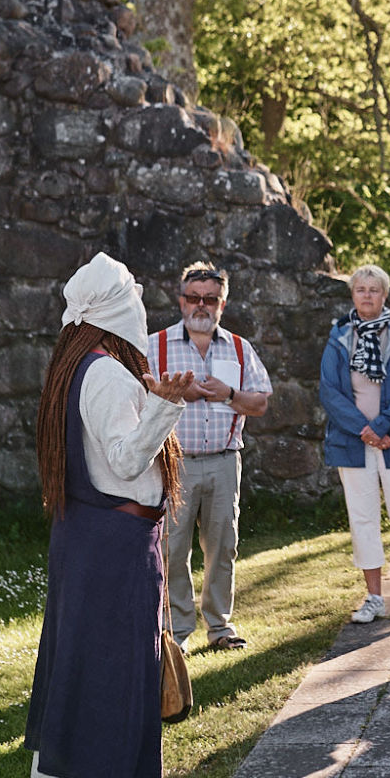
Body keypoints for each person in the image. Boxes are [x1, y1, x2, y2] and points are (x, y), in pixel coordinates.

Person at [24, 252, 195, 778]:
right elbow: (125, 459)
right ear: (113, 308)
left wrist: (158, 402)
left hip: (98, 539)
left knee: (94, 672)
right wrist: (168, 406)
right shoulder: (101, 373)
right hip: (113, 546)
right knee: (110, 676)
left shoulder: (87, 366)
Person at [145, 261, 271, 652]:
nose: (201, 305)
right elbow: (138, 397)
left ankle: (219, 627)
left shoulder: (239, 347)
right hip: (173, 460)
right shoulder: (156, 345)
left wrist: (228, 395)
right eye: (193, 298)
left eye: (210, 299)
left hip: (223, 459)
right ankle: (176, 632)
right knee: (172, 546)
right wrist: (177, 393)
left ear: (222, 304)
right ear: (180, 301)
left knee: (222, 545)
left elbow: (261, 403)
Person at [320, 264, 390, 627]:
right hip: (353, 443)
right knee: (363, 519)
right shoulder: (339, 335)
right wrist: (365, 430)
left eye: (374, 289)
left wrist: (382, 426)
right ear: (352, 295)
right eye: (360, 289)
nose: (367, 295)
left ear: (384, 295)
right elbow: (330, 391)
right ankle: (374, 599)